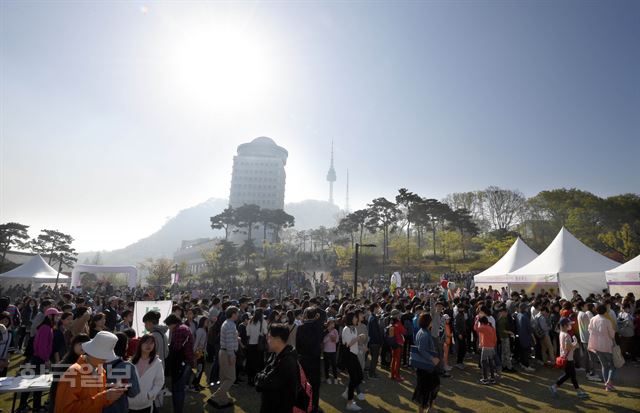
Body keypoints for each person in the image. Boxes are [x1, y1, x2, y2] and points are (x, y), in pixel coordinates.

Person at [54, 331, 128, 413]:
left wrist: (109, 397)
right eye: (103, 356)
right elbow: (65, 409)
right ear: (93, 353)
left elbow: (98, 402)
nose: (106, 360)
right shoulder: (74, 373)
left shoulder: (101, 371)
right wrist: (104, 397)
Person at [18, 307, 60, 413]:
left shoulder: (46, 327)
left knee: (32, 383)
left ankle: (25, 405)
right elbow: (41, 346)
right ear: (50, 316)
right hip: (39, 359)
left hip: (37, 358)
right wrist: (46, 359)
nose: (58, 317)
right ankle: (34, 407)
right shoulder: (46, 328)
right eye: (56, 315)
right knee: (36, 384)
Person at [255, 323, 300, 413]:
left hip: (280, 408)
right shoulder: (275, 354)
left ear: (278, 339)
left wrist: (261, 376)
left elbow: (262, 383)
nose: (267, 340)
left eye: (269, 337)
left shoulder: (287, 361)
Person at [48, 333, 91, 413]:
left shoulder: (89, 363)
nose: (83, 346)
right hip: (64, 401)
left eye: (86, 344)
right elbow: (55, 388)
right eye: (80, 344)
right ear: (74, 345)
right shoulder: (64, 364)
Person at [550, 318, 589, 399]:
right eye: (569, 324)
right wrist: (575, 344)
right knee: (571, 376)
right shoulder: (566, 335)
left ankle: (577, 391)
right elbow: (567, 347)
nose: (570, 326)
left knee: (570, 375)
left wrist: (573, 344)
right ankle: (555, 387)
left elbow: (565, 347)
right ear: (564, 325)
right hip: (568, 358)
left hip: (566, 357)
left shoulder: (561, 333)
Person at [208, 306, 239, 409]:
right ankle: (215, 397)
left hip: (223, 352)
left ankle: (223, 400)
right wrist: (232, 355)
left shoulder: (227, 323)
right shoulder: (230, 325)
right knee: (231, 378)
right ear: (233, 314)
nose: (238, 315)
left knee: (224, 378)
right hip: (227, 353)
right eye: (237, 313)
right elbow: (229, 343)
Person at [164, 313, 195, 413]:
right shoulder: (185, 327)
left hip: (181, 363)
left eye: (169, 326)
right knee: (180, 388)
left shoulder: (178, 330)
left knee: (177, 389)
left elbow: (176, 348)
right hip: (187, 361)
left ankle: (178, 410)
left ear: (172, 323)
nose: (169, 328)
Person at [410, 313, 440, 413]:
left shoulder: (423, 331)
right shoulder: (424, 334)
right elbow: (421, 350)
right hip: (425, 367)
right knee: (424, 391)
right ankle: (424, 410)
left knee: (433, 386)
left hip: (426, 367)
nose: (432, 322)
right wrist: (432, 358)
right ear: (428, 322)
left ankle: (431, 407)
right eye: (431, 321)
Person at [103, 332, 140, 413]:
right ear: (124, 345)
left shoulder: (94, 363)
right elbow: (134, 392)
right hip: (119, 408)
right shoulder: (127, 366)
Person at [296, 307, 323, 413]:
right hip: (315, 359)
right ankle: (314, 406)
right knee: (315, 385)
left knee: (303, 384)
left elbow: (297, 346)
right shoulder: (318, 327)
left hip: (303, 359)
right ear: (315, 316)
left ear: (305, 315)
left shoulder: (300, 328)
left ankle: (303, 405)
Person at [128, 334, 165, 413]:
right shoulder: (130, 362)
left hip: (146, 403)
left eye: (151, 343)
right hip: (130, 403)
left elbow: (159, 381)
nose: (149, 345)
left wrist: (150, 394)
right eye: (146, 343)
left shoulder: (157, 362)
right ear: (140, 344)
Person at [588, 304, 616, 392]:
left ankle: (607, 385)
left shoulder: (593, 319)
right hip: (607, 345)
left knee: (604, 365)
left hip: (596, 345)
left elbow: (589, 330)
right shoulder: (607, 321)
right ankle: (608, 382)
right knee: (613, 365)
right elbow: (612, 334)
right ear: (605, 311)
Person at [341, 311, 364, 411]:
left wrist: (360, 347)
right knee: (355, 378)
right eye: (355, 318)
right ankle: (349, 403)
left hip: (353, 355)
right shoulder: (346, 329)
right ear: (351, 319)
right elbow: (348, 344)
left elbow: (354, 343)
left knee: (359, 377)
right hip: (348, 356)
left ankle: (347, 392)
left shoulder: (353, 328)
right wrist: (358, 338)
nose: (357, 319)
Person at [246, 308, 268, 386]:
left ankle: (250, 379)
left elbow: (247, 333)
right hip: (259, 345)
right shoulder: (263, 321)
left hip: (250, 344)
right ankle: (256, 380)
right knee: (258, 362)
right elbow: (265, 332)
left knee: (250, 362)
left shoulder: (250, 321)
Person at [474, 316, 497, 384]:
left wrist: (476, 321)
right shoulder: (491, 328)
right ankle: (492, 378)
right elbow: (495, 338)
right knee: (490, 362)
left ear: (482, 322)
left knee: (483, 362)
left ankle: (485, 379)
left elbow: (475, 328)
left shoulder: (483, 327)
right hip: (492, 347)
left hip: (486, 347)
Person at [516, 303, 535, 372]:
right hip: (526, 336)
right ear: (525, 308)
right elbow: (529, 328)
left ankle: (522, 364)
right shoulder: (525, 316)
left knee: (522, 352)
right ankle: (527, 365)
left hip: (520, 336)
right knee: (526, 352)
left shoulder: (518, 315)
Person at [191, 316, 208, 391]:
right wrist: (194, 353)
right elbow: (196, 342)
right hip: (198, 353)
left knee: (201, 369)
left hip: (202, 352)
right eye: (206, 321)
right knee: (199, 369)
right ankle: (194, 384)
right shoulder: (200, 330)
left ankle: (197, 383)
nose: (208, 323)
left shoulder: (205, 330)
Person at [389, 309, 406, 381]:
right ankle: (397, 376)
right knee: (398, 361)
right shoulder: (398, 323)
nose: (400, 315)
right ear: (396, 315)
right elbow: (404, 332)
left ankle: (392, 374)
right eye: (399, 314)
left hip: (392, 343)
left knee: (393, 359)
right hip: (398, 343)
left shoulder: (391, 323)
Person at [496, 307, 514, 372]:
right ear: (502, 312)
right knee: (507, 353)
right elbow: (502, 330)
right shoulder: (502, 320)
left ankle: (504, 366)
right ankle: (509, 367)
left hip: (502, 337)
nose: (507, 313)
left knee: (503, 353)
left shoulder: (500, 318)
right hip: (505, 337)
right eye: (505, 312)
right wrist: (510, 332)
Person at [367, 303, 383, 379]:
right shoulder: (373, 318)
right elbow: (375, 333)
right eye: (377, 308)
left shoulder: (372, 317)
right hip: (374, 342)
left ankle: (373, 372)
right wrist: (380, 342)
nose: (378, 309)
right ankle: (371, 374)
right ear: (374, 308)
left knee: (375, 358)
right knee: (374, 359)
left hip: (373, 341)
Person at [322, 318, 339, 384]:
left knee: (334, 365)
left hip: (333, 351)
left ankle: (335, 378)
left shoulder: (335, 331)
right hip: (326, 351)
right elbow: (323, 341)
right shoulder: (325, 331)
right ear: (328, 324)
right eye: (331, 323)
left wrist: (334, 339)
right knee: (327, 365)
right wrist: (329, 337)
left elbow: (337, 340)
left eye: (333, 323)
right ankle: (327, 378)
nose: (332, 325)